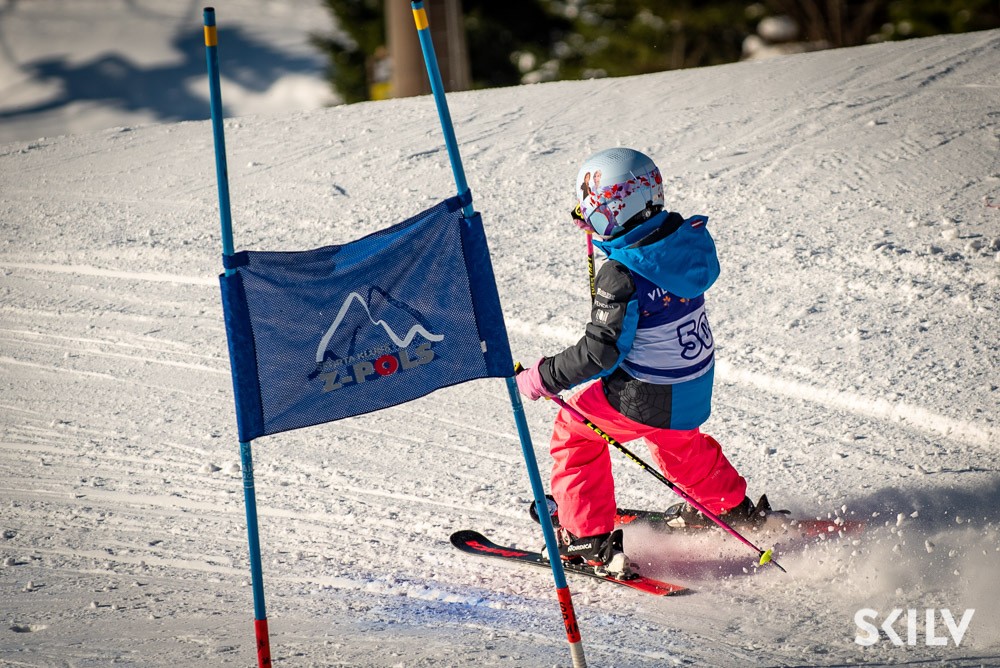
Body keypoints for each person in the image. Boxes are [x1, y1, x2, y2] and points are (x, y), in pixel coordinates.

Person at [515, 147, 770, 577]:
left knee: (576, 433)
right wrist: (600, 227)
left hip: (648, 390)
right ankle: (729, 506)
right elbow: (642, 252)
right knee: (677, 442)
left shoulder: (621, 274)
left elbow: (600, 352)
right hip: (693, 380)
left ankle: (585, 538)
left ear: (613, 212)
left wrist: (544, 376)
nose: (587, 220)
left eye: (592, 211)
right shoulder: (682, 243)